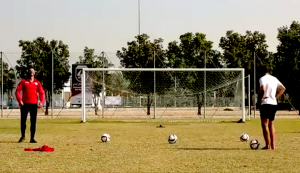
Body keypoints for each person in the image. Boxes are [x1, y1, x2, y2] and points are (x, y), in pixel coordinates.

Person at [257, 65, 285, 150]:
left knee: (264, 124)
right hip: (273, 103)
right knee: (271, 124)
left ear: (261, 72)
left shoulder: (262, 79)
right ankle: (273, 146)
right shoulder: (274, 78)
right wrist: (275, 97)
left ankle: (267, 145)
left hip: (265, 102)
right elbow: (282, 88)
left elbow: (263, 89)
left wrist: (259, 100)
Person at [15, 67, 45, 143]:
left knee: (33, 122)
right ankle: (23, 136)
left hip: (34, 105)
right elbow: (17, 91)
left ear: (34, 73)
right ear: (28, 72)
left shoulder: (37, 82)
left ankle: (32, 138)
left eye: (33, 71)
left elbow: (42, 93)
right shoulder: (23, 81)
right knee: (23, 121)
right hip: (25, 104)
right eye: (30, 71)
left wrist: (41, 102)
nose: (31, 72)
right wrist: (20, 100)